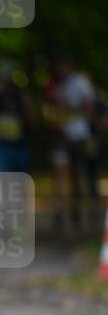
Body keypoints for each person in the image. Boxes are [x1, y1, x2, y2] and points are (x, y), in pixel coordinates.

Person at [43, 54, 97, 230]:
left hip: (78, 136)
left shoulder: (80, 83)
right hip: (60, 137)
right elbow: (46, 109)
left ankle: (77, 210)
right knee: (59, 174)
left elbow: (90, 107)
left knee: (76, 175)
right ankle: (59, 212)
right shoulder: (52, 85)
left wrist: (71, 109)